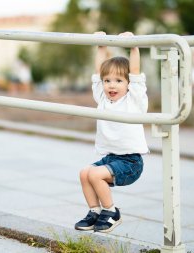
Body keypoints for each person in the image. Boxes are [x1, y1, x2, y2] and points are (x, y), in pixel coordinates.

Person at [75, 31, 149, 233]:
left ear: (128, 84)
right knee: (85, 173)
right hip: (111, 158)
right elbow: (97, 72)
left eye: (118, 80)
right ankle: (95, 212)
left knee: (96, 175)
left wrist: (134, 45)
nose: (111, 85)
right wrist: (101, 45)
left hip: (130, 162)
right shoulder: (102, 99)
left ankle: (111, 212)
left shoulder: (133, 100)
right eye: (107, 81)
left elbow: (134, 72)